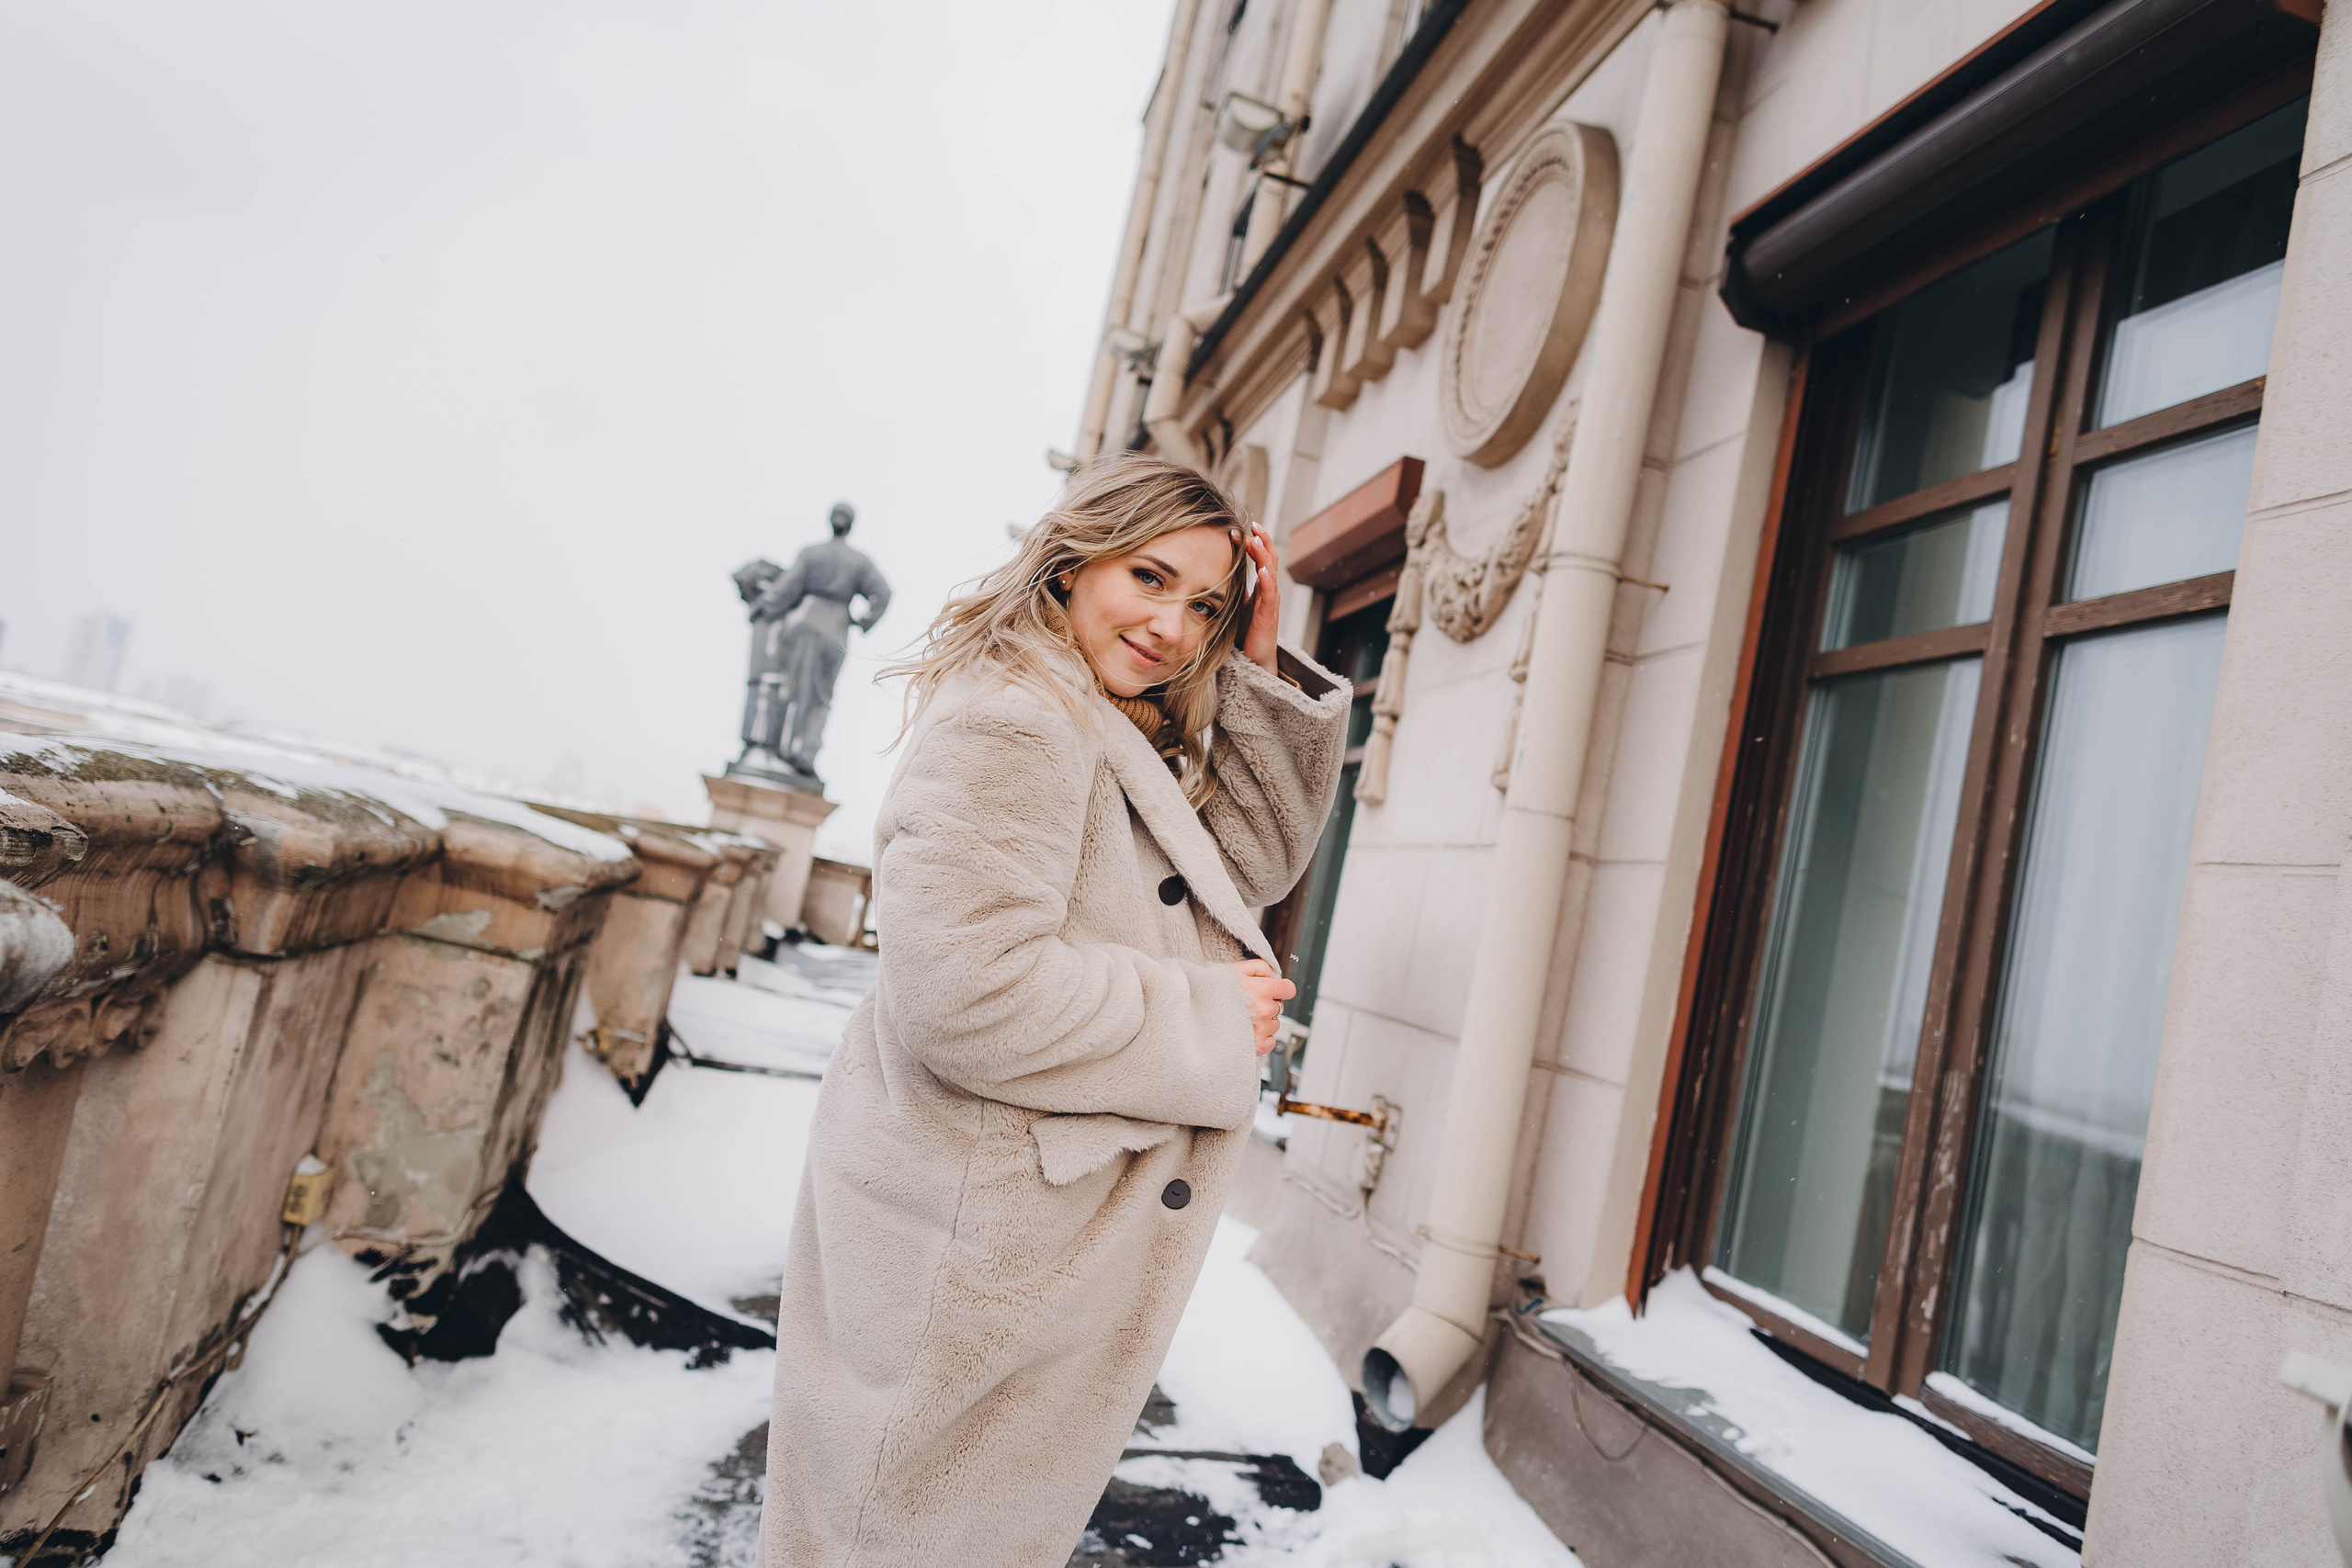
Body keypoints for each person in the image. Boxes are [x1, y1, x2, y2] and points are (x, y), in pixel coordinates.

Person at [760, 454, 1351, 1565]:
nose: (1174, 626)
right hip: (967, 1252)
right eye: (1149, 577)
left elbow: (1254, 868)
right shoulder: (1018, 721)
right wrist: (1210, 1018)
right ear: (1075, 563)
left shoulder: (1105, 719)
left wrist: (1258, 667)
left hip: (1010, 1246)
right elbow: (964, 987)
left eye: (1207, 608)